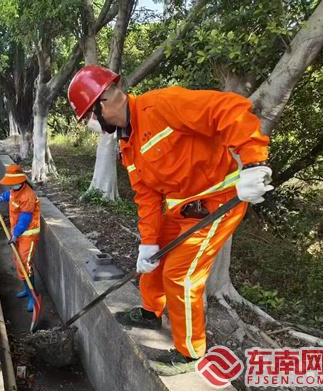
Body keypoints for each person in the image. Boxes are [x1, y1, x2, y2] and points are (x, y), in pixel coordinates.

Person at [67, 65, 273, 374]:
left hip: (217, 202)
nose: (90, 124)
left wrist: (254, 162)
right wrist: (148, 243)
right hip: (181, 209)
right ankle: (151, 312)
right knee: (154, 262)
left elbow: (229, 108)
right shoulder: (128, 144)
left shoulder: (162, 105)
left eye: (89, 117)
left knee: (180, 275)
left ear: (105, 101)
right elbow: (146, 196)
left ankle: (190, 352)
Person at [0, 165, 41, 311]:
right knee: (19, 262)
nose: (10, 186)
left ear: (20, 181)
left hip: (28, 234)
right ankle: (27, 288)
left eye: (12, 184)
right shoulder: (15, 190)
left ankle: (32, 296)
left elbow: (25, 219)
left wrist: (15, 234)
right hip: (17, 234)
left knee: (24, 263)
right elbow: (10, 195)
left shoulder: (28, 196)